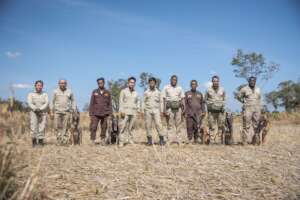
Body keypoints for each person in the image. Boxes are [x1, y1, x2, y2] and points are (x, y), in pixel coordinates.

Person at [50, 79, 76, 145]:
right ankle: (59, 140)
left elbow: (73, 100)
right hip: (57, 112)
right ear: (58, 84)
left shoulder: (69, 91)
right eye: (61, 83)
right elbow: (52, 102)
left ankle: (64, 141)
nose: (62, 84)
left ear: (66, 84)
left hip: (66, 112)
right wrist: (51, 111)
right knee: (56, 126)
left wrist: (73, 109)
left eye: (64, 83)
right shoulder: (55, 91)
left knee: (65, 127)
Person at [237, 76, 262, 145]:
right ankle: (244, 141)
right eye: (251, 81)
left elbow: (259, 98)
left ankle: (256, 141)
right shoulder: (244, 89)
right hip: (248, 108)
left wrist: (260, 107)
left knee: (256, 125)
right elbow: (238, 96)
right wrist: (244, 102)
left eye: (254, 81)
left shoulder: (258, 89)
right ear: (248, 81)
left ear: (255, 81)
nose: (252, 82)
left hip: (257, 109)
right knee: (246, 125)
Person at [89, 78, 113, 145]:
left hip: (105, 113)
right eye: (99, 83)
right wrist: (90, 113)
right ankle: (92, 140)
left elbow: (110, 103)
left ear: (104, 83)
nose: (100, 84)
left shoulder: (107, 92)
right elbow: (92, 103)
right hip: (95, 113)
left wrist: (110, 113)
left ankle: (102, 140)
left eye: (101, 82)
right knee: (93, 127)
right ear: (98, 84)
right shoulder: (94, 92)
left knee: (104, 127)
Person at [162, 75, 185, 144]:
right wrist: (164, 109)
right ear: (170, 80)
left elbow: (182, 98)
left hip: (178, 108)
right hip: (169, 108)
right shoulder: (166, 87)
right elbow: (164, 99)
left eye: (175, 80)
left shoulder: (180, 88)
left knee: (178, 125)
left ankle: (179, 140)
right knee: (170, 125)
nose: (174, 81)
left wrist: (184, 108)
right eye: (173, 79)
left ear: (177, 81)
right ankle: (169, 140)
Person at [119, 77, 140, 147]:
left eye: (133, 83)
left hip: (133, 112)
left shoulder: (136, 93)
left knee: (131, 127)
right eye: (131, 82)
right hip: (125, 112)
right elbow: (121, 102)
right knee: (122, 127)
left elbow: (138, 102)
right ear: (128, 83)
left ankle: (130, 140)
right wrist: (121, 111)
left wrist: (138, 110)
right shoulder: (123, 91)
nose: (132, 84)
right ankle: (121, 142)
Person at [143, 77, 165, 145]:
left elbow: (161, 102)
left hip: (156, 110)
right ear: (149, 83)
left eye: (153, 82)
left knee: (158, 124)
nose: (152, 83)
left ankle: (161, 139)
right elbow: (143, 101)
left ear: (155, 83)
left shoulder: (158, 92)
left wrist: (161, 111)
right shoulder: (146, 92)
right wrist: (142, 110)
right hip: (148, 110)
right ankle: (149, 140)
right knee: (148, 125)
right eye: (150, 82)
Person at [205, 75, 226, 144]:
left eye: (217, 81)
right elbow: (205, 99)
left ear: (218, 81)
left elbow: (224, 99)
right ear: (212, 82)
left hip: (220, 111)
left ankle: (219, 140)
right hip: (211, 111)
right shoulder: (208, 90)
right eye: (214, 81)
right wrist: (209, 105)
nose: (215, 82)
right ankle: (212, 140)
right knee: (211, 125)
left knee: (220, 125)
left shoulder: (222, 89)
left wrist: (223, 106)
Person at [27, 80, 49, 147]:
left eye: (40, 85)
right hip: (33, 112)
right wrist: (36, 109)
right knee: (33, 126)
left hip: (43, 112)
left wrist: (40, 109)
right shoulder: (31, 94)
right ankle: (34, 142)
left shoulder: (45, 94)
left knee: (42, 127)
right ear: (35, 86)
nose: (39, 87)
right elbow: (29, 103)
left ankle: (40, 141)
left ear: (42, 86)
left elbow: (47, 103)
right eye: (38, 85)